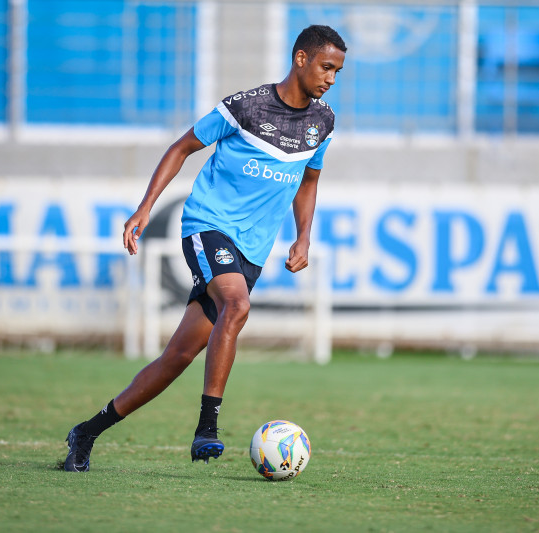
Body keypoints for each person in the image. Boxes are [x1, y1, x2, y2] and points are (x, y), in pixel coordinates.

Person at [63, 25, 347, 472]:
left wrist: (303, 235)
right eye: (326, 67)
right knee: (237, 304)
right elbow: (181, 148)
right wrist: (144, 209)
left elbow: (309, 180)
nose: (331, 78)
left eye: (338, 71)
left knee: (177, 357)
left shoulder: (323, 122)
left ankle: (86, 432)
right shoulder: (246, 107)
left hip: (251, 250)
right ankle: (207, 427)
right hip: (207, 225)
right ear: (300, 59)